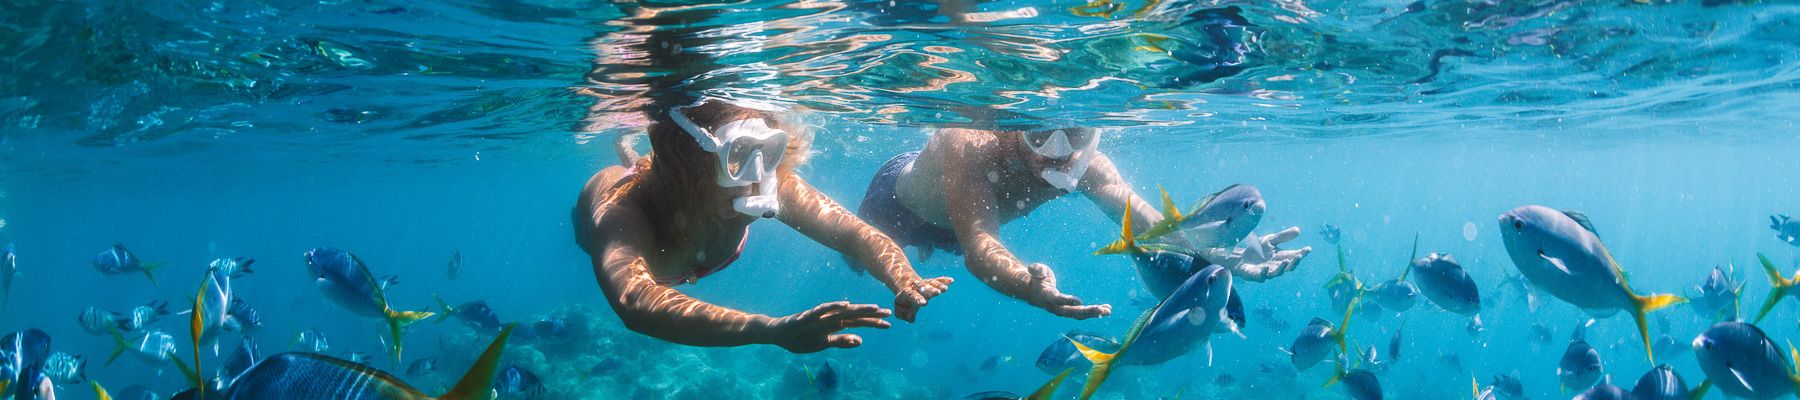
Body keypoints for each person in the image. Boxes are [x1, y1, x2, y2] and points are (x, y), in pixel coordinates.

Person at [573, 98, 956, 353]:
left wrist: (902, 277)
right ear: (689, 163)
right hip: (608, 195)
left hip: (675, 192)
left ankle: (635, 152)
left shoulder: (765, 178)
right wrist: (769, 329)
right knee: (604, 207)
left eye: (767, 150)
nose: (758, 176)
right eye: (738, 154)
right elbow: (633, 301)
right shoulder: (622, 215)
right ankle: (628, 152)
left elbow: (853, 232)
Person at [857, 127, 1309, 319]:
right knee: (856, 259)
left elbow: (1143, 219)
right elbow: (979, 244)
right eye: (1040, 134)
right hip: (896, 204)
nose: (1058, 151)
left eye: (1075, 133)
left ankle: (926, 249)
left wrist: (1213, 246)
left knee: (934, 248)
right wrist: (1024, 283)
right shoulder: (971, 146)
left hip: (951, 229)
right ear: (1015, 126)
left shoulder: (1087, 166)